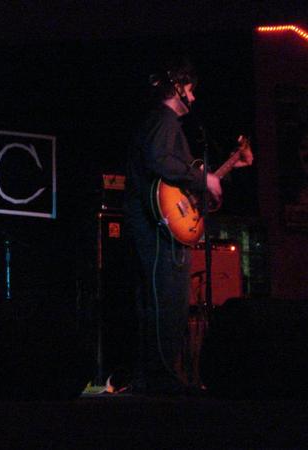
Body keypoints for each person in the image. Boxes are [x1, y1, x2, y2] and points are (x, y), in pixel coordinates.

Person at [123, 58, 253, 395]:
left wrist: (218, 174)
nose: (193, 99)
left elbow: (175, 174)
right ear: (177, 88)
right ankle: (162, 377)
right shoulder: (164, 121)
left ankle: (153, 376)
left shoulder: (162, 124)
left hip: (158, 223)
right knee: (167, 301)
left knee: (158, 302)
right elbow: (160, 162)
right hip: (158, 226)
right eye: (191, 91)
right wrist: (203, 177)